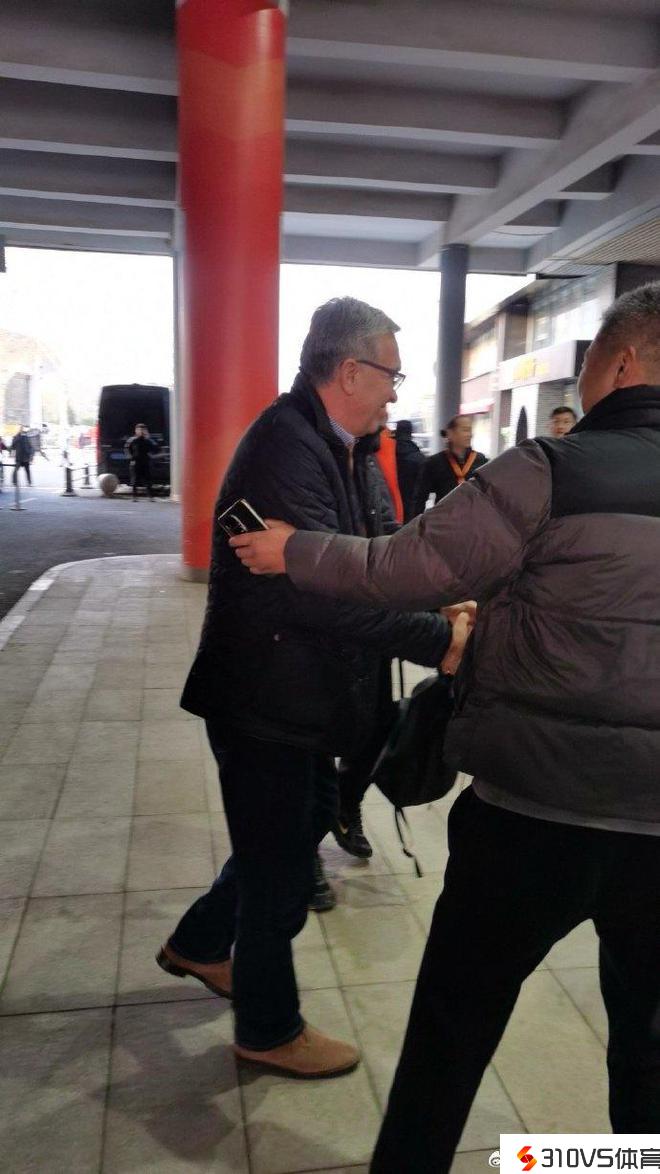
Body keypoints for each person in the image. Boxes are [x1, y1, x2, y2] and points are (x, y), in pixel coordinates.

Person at [230, 281, 660, 1168]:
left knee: (451, 1036)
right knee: (650, 1052)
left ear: (620, 362)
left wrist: (293, 549)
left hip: (535, 808)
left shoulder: (551, 468)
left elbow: (405, 567)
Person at [158, 297, 459, 1080]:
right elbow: (324, 597)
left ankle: (199, 942)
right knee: (281, 873)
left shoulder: (347, 446)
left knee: (295, 833)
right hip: (265, 699)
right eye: (391, 375)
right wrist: (441, 642)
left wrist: (436, 607)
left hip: (306, 697)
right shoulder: (285, 450)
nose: (395, 392)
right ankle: (267, 1027)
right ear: (351, 371)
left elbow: (377, 560)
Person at [414, 414, 487, 513]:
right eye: (465, 430)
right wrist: (418, 521)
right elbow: (420, 498)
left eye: (470, 430)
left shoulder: (480, 460)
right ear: (450, 433)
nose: (470, 435)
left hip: (473, 518)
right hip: (445, 518)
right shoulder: (434, 463)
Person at [394, 419, 425, 522]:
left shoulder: (385, 455)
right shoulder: (419, 458)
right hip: (412, 511)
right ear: (411, 433)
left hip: (390, 508)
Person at [125, 423, 158, 500]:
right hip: (135, 462)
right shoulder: (132, 440)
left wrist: (149, 438)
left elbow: (155, 449)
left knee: (148, 479)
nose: (142, 431)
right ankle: (134, 496)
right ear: (136, 431)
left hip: (145, 462)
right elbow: (127, 450)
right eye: (140, 430)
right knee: (135, 479)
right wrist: (131, 459)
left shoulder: (148, 440)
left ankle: (150, 496)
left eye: (143, 430)